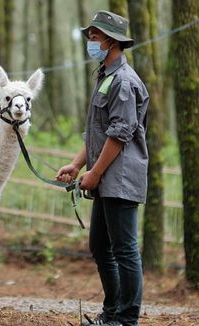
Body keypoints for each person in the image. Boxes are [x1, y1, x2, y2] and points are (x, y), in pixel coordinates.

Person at [56, 10, 149, 326]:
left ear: (112, 41)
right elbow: (99, 132)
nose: (91, 42)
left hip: (120, 178)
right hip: (105, 178)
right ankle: (111, 314)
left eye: (94, 37)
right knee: (100, 246)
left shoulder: (123, 82)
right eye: (91, 36)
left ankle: (126, 319)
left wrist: (94, 174)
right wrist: (77, 164)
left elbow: (120, 133)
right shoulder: (105, 77)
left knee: (124, 250)